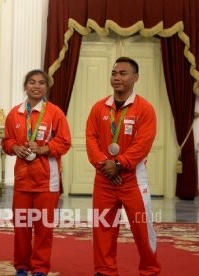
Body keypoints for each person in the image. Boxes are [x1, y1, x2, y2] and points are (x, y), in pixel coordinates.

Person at [86, 57, 161, 276]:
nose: (116, 77)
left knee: (142, 229)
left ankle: (150, 270)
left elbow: (143, 144)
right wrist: (104, 165)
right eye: (114, 73)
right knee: (102, 229)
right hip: (104, 179)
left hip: (133, 180)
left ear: (135, 78)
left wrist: (119, 164)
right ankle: (105, 271)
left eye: (123, 73)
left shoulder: (144, 109)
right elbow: (91, 138)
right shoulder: (99, 107)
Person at [1, 69, 71, 276]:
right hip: (23, 180)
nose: (36, 86)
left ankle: (40, 268)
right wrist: (15, 148)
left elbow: (65, 142)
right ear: (25, 86)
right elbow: (6, 142)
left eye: (41, 83)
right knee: (22, 227)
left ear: (47, 87)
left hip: (47, 182)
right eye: (32, 82)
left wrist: (43, 148)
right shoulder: (15, 113)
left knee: (43, 229)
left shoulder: (55, 113)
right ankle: (22, 266)